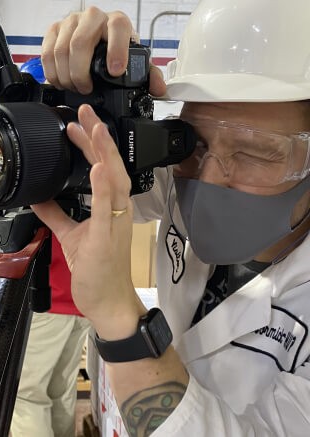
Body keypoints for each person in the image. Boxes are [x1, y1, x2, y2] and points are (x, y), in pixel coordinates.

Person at [31, 0, 310, 436]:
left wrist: (120, 319)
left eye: (253, 152)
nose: (210, 177)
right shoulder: (179, 176)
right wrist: (102, 92)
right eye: (192, 142)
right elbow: (108, 177)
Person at [10, 58, 91, 437]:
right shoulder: (89, 152)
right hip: (81, 297)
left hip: (49, 295)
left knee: (26, 395)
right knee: (60, 390)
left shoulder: (41, 159)